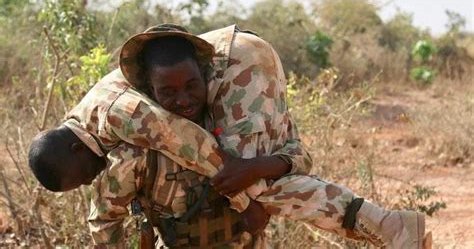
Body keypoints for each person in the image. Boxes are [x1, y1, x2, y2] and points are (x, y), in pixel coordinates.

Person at [29, 24, 427, 248]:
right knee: (259, 165)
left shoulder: (120, 113)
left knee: (247, 175)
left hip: (237, 61)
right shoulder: (96, 121)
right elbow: (295, 152)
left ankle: (393, 226)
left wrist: (243, 200)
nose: (90, 180)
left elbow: (192, 143)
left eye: (82, 176)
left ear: (71, 146)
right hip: (223, 62)